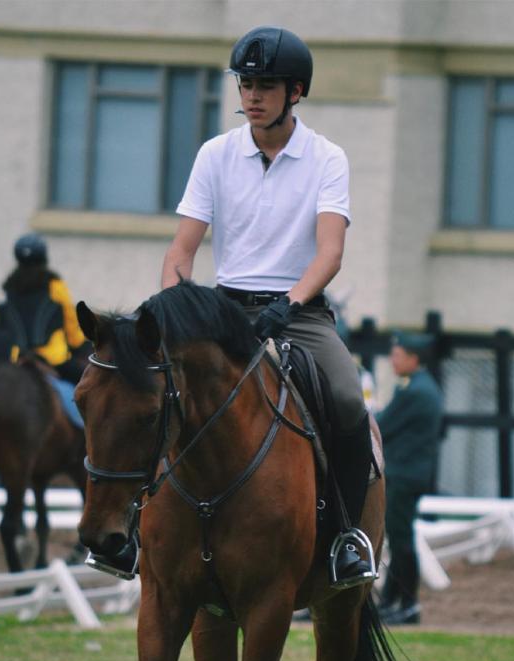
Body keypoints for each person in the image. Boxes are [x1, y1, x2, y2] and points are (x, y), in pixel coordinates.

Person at [161, 26, 376, 590]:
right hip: (224, 310)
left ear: (295, 92)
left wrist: (289, 303)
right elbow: (182, 249)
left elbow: (330, 253)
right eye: (246, 83)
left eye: (265, 85)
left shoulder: (327, 158)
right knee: (156, 393)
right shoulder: (215, 154)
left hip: (298, 314)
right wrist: (175, 302)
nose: (252, 95)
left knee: (350, 404)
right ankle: (137, 531)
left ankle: (348, 540)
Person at [375, 331, 444, 625]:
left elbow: (381, 426)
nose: (393, 360)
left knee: (401, 541)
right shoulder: (420, 387)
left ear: (414, 359)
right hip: (409, 474)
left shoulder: (414, 391)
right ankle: (393, 602)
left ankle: (409, 604)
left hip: (403, 475)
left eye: (398, 355)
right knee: (399, 537)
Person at [0, 233, 89, 426]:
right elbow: (70, 321)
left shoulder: (10, 287)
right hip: (54, 360)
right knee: (91, 387)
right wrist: (79, 344)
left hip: (19, 359)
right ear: (43, 257)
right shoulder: (54, 285)